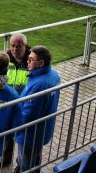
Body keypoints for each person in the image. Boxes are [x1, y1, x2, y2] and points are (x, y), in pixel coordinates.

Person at [14, 45, 60, 173]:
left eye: (30, 60)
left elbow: (28, 115)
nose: (27, 62)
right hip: (42, 128)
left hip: (29, 133)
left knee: (27, 164)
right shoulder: (53, 75)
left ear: (41, 63)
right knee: (34, 159)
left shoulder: (39, 85)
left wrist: (13, 124)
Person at [0, 33, 31, 169]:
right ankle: (5, 160)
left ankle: (21, 164)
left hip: (24, 106)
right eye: (13, 46)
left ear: (25, 46)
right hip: (8, 105)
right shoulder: (5, 59)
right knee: (7, 135)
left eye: (19, 46)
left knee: (23, 138)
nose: (15, 49)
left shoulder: (32, 60)